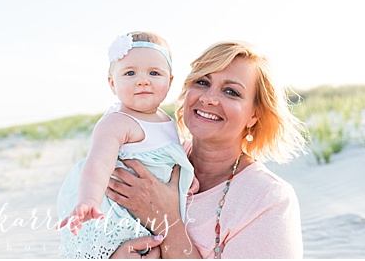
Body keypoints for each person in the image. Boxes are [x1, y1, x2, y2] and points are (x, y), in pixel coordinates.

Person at [107, 40, 306, 258]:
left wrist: (166, 219)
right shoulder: (149, 159)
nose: (208, 98)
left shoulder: (268, 198)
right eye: (202, 82)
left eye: (231, 92)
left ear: (254, 115)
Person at [56, 31, 195, 259]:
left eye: (154, 72)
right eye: (130, 73)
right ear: (112, 83)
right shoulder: (117, 122)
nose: (143, 80)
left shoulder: (166, 120)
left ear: (169, 81)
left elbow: (172, 156)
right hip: (119, 214)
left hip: (151, 212)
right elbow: (98, 162)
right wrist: (89, 200)